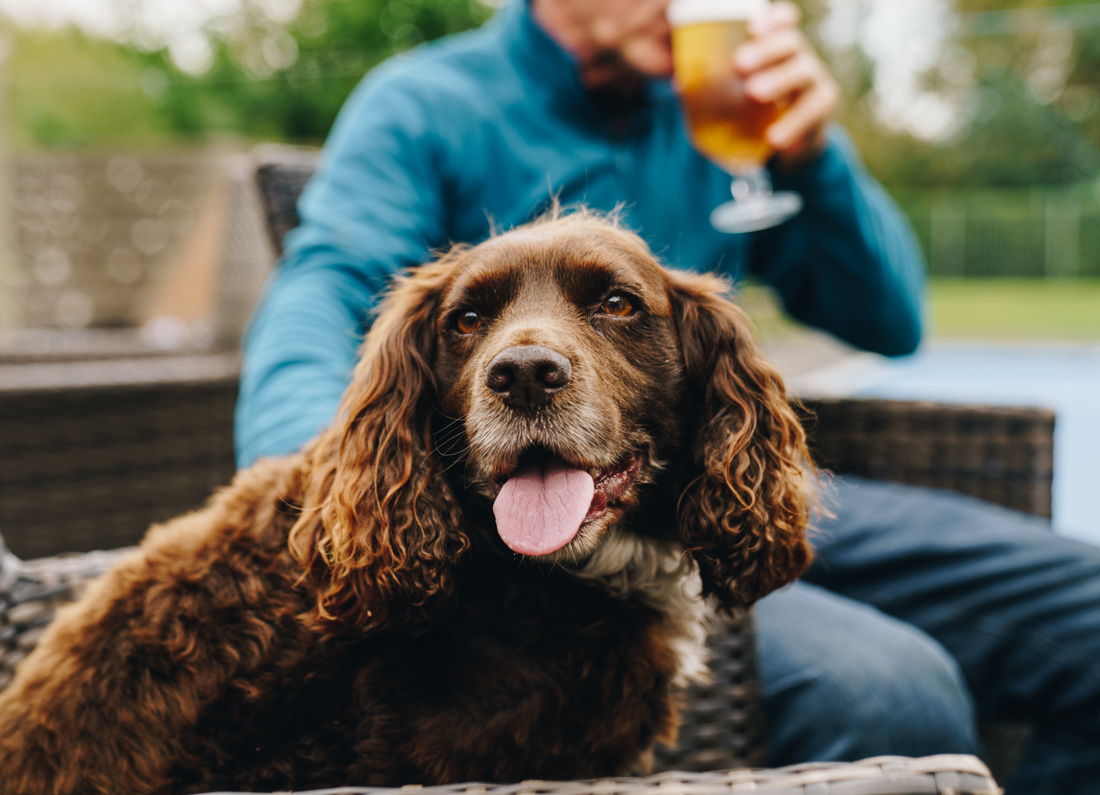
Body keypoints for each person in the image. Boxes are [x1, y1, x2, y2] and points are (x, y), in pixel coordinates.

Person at [235, 1, 1100, 791]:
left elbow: (889, 317)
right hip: (546, 539)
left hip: (725, 478)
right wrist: (318, 497)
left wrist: (812, 157)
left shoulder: (722, 111)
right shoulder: (424, 104)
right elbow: (324, 294)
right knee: (890, 692)